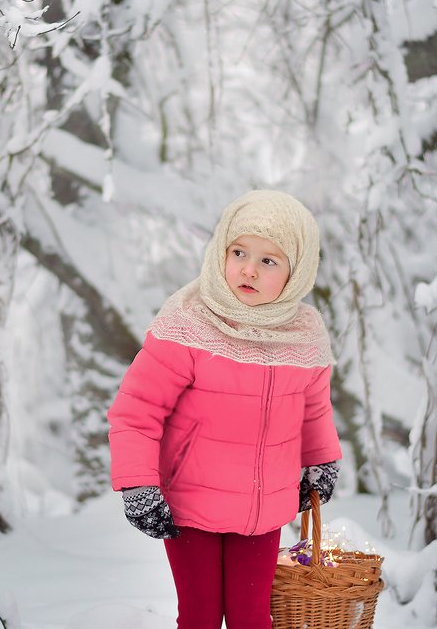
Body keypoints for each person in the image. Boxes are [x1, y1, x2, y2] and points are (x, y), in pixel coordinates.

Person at [107, 190, 342, 629]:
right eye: (238, 252)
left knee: (251, 618)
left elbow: (313, 408)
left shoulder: (304, 334)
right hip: (191, 505)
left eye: (268, 260)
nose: (248, 269)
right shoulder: (189, 325)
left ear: (297, 271)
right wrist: (138, 484)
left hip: (263, 511)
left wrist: (321, 460)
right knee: (200, 617)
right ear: (221, 251)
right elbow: (136, 411)